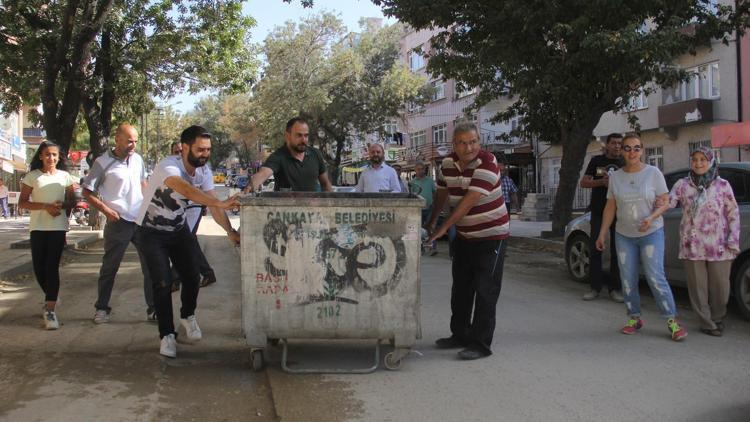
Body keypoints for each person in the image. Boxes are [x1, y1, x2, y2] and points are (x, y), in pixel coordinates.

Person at [135, 125, 240, 358]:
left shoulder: (204, 172)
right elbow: (185, 189)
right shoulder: (168, 166)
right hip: (150, 231)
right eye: (200, 149)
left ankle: (187, 315)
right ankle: (167, 335)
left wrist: (230, 231)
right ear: (184, 148)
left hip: (178, 229)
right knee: (162, 282)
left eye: (208, 150)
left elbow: (212, 202)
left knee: (192, 276)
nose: (205, 154)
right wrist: (222, 203)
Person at [426, 122, 509, 360]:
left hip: (492, 236)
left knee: (486, 289)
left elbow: (469, 201)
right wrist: (431, 222)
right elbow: (442, 193)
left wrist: (443, 228)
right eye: (462, 142)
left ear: (479, 142)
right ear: (454, 145)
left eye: (473, 141)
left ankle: (481, 343)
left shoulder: (488, 162)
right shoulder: (447, 164)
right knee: (461, 288)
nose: (468, 147)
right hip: (464, 236)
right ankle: (460, 334)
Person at [595, 134, 687, 341]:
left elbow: (665, 201)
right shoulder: (616, 177)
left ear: (642, 150)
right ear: (622, 151)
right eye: (627, 148)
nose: (632, 152)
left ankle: (672, 320)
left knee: (655, 277)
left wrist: (651, 217)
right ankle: (634, 317)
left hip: (651, 233)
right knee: (628, 279)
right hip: (624, 235)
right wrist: (602, 233)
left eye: (636, 148)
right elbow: (610, 207)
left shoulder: (653, 173)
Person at [82, 123, 155, 323]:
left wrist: (150, 207)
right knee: (110, 268)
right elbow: (87, 192)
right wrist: (106, 211)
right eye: (129, 140)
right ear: (118, 139)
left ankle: (153, 309)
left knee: (150, 266)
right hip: (118, 222)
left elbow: (143, 184)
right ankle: (102, 308)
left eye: (136, 141)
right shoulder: (102, 162)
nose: (133, 145)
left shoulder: (138, 160)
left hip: (140, 221)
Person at [669, 147, 739, 336]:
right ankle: (707, 323)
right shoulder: (682, 185)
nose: (698, 163)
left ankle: (718, 317)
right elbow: (668, 202)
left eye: (702, 159)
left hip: (720, 244)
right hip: (692, 244)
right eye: (695, 159)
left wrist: (733, 238)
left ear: (710, 161)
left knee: (721, 286)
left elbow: (733, 213)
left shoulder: (722, 185)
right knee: (697, 288)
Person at [18, 141, 78, 330]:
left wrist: (61, 206)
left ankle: (50, 309)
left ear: (59, 157)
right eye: (47, 154)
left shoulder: (65, 177)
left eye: (54, 155)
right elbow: (23, 203)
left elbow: (72, 201)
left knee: (52, 267)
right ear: (41, 156)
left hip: (58, 228)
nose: (51, 158)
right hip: (38, 228)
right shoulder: (32, 177)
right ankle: (52, 294)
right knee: (38, 268)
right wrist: (45, 206)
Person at [580, 133, 624, 302]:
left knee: (617, 251)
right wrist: (601, 183)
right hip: (599, 210)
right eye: (614, 143)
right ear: (608, 145)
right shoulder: (597, 161)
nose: (617, 146)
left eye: (620, 144)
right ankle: (595, 288)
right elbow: (583, 183)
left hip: (620, 213)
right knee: (596, 249)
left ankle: (615, 289)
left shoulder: (625, 163)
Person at [248, 117, 333, 192]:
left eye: (306, 136)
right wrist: (247, 189)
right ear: (287, 136)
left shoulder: (315, 154)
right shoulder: (278, 157)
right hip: (285, 209)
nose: (303, 140)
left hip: (312, 209)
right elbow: (262, 174)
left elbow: (326, 184)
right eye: (299, 135)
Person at [409, 161, 438, 256]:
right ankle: (420, 248)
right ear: (415, 170)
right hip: (418, 210)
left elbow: (435, 193)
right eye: (418, 169)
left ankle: (433, 248)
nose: (421, 171)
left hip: (429, 208)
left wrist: (435, 205)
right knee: (418, 229)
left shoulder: (430, 181)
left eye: (422, 169)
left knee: (430, 228)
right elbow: (411, 196)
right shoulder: (412, 183)